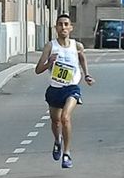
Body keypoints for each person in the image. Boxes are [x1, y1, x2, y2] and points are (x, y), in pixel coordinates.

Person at [35, 14, 94, 168]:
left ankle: (67, 154)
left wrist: (86, 74)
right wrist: (49, 63)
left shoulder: (77, 45)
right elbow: (37, 70)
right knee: (55, 121)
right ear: (56, 28)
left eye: (66, 24)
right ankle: (57, 140)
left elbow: (82, 58)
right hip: (55, 88)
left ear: (71, 28)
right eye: (60, 24)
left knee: (65, 118)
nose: (63, 27)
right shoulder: (50, 46)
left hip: (72, 88)